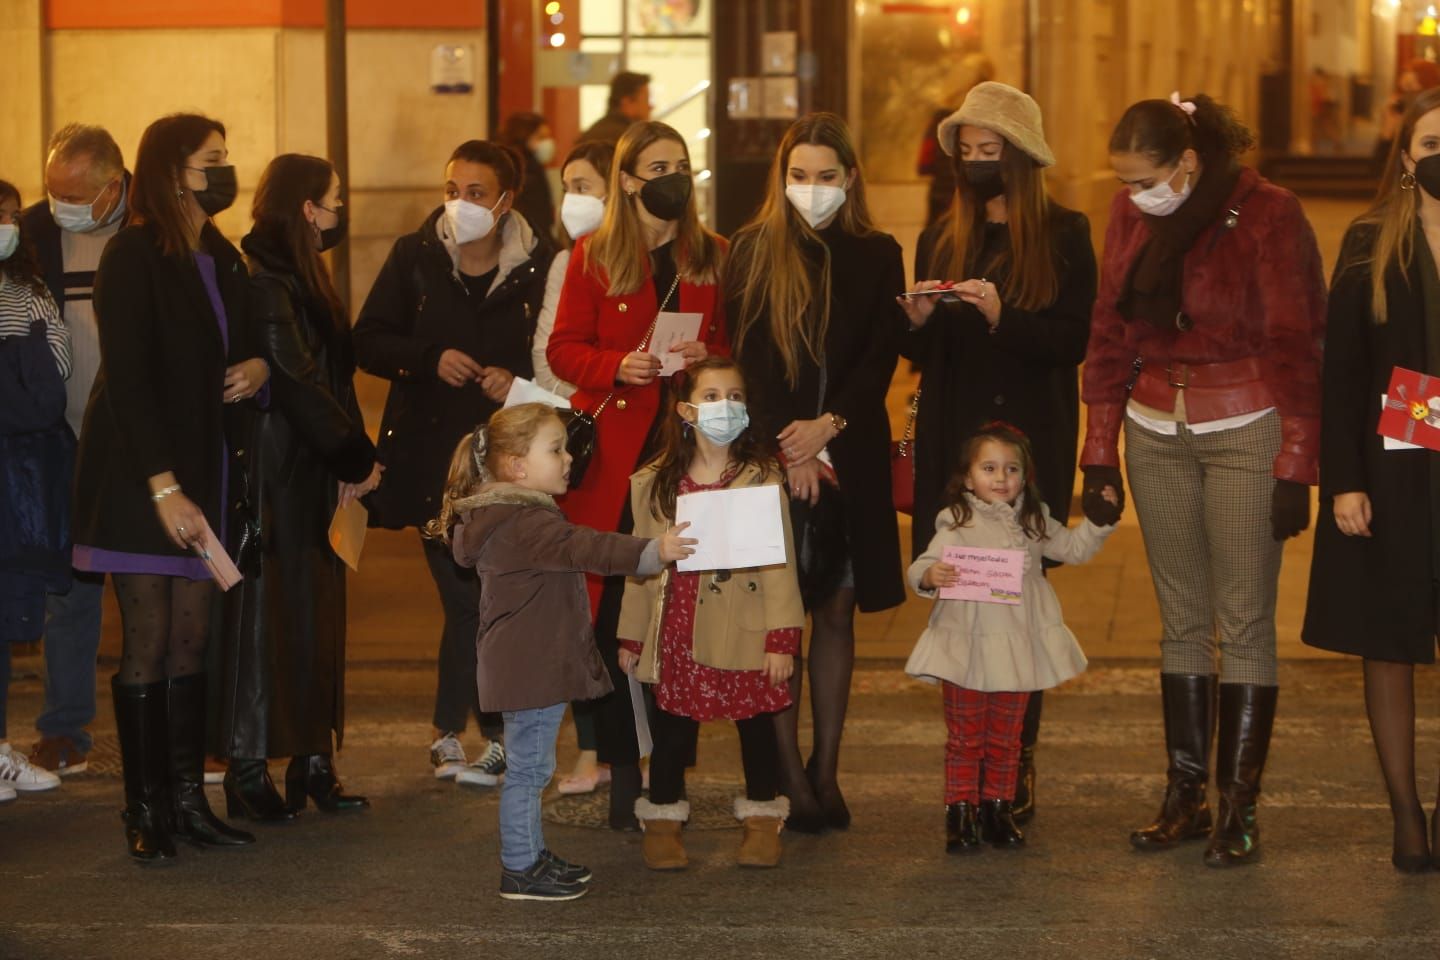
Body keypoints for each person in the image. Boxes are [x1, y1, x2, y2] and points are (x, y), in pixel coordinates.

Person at [1082, 93, 1325, 867]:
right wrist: (1098, 451)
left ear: (1188, 163)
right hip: (1157, 429)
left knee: (1245, 620)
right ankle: (1184, 795)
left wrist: (1297, 463)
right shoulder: (1130, 216)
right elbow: (1109, 331)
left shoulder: (1268, 214)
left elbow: (1299, 338)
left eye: (1143, 179)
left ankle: (1239, 809)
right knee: (1182, 618)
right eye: (1122, 182)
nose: (1132, 195)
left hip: (1245, 427)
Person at [72, 112, 270, 862]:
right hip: (140, 476)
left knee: (195, 638)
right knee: (149, 642)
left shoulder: (219, 253)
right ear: (169, 169)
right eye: (210, 160)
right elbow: (127, 380)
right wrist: (163, 487)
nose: (223, 172)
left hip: (204, 467)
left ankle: (189, 801)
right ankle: (144, 808)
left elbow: (243, 346)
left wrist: (256, 371)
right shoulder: (132, 255)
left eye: (225, 156)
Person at [898, 82, 1097, 825]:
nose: (977, 165)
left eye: (991, 152)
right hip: (955, 438)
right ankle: (968, 773)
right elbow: (923, 353)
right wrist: (916, 322)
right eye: (967, 153)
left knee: (1016, 606)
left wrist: (1001, 317)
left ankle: (1015, 766)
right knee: (963, 604)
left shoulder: (1067, 233)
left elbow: (1072, 342)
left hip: (1025, 445)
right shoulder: (943, 233)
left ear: (1022, 158)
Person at [437, 402, 695, 901]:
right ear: (517, 467)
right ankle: (519, 868)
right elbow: (588, 547)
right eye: (555, 449)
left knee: (531, 769)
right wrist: (652, 552)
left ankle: (530, 854)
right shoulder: (526, 522)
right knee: (529, 772)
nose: (569, 457)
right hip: (531, 670)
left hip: (529, 667)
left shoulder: (509, 516)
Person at [354, 139, 552, 789]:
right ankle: (464, 732)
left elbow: (556, 356)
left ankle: (470, 732)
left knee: (488, 599)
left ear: (505, 201)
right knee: (466, 597)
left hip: (508, 466)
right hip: (431, 468)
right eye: (451, 190)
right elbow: (369, 340)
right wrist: (426, 356)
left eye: (475, 193)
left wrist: (514, 379)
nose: (460, 205)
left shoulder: (540, 264)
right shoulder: (416, 256)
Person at [547, 120, 728, 829]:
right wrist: (615, 366)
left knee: (676, 621)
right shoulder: (594, 256)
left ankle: (670, 775)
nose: (674, 177)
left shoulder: (711, 256)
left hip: (684, 460)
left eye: (682, 165)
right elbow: (564, 349)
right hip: (612, 466)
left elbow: (730, 344)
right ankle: (625, 768)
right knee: (605, 625)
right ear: (628, 180)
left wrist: (704, 361)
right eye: (658, 166)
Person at [728, 112, 906, 832]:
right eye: (799, 176)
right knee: (779, 618)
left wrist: (829, 428)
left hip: (851, 446)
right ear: (782, 178)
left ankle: (828, 771)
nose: (812, 188)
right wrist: (785, 447)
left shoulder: (877, 251)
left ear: (850, 179)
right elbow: (748, 358)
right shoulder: (750, 249)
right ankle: (791, 780)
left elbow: (880, 354)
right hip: (775, 459)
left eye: (826, 176)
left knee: (836, 609)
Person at [216, 154, 382, 821]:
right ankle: (249, 765)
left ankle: (315, 760)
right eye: (335, 201)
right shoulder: (265, 277)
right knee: (270, 617)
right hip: (280, 470)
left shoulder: (300, 272)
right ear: (307, 209)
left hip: (311, 465)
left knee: (317, 613)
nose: (342, 213)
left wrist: (343, 459)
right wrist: (355, 456)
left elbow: (320, 376)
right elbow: (300, 378)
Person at [1302, 88, 1440, 873]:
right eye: (1428, 144)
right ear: (1406, 157)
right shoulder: (1368, 241)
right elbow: (1346, 375)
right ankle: (1405, 813)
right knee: (1389, 641)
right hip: (1392, 473)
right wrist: (1342, 482)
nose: (1438, 156)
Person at [616, 357, 802, 869]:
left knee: (756, 726)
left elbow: (779, 561)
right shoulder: (654, 483)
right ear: (686, 410)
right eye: (713, 396)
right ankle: (662, 820)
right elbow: (639, 562)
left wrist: (781, 639)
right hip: (677, 625)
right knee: (673, 729)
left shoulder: (762, 477)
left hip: (745, 626)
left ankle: (763, 819)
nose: (726, 406)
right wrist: (632, 636)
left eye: (736, 396)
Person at [908, 423, 1116, 853]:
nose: (1001, 478)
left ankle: (997, 810)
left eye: (1011, 469)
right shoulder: (956, 522)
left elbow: (1073, 549)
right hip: (966, 648)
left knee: (1008, 737)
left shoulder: (1034, 523)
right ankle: (960, 814)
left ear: (1025, 476)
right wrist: (930, 575)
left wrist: (1099, 522)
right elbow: (921, 565)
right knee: (966, 738)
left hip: (1018, 648)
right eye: (989, 468)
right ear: (968, 478)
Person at [21, 124, 129, 778]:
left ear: (112, 185)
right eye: (51, 190)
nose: (57, 204)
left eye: (72, 194)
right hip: (60, 442)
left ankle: (181, 727)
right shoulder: (34, 233)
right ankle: (65, 727)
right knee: (69, 592)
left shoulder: (150, 228)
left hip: (139, 442)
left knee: (157, 593)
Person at [532, 139, 615, 794]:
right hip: (575, 451)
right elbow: (548, 355)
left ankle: (634, 747)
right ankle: (594, 747)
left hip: (630, 446)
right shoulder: (570, 260)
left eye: (586, 184)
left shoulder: (647, 259)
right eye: (567, 184)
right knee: (580, 601)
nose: (574, 200)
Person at [0, 179, 69, 800]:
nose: (10, 226)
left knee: (4, 612)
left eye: (12, 215)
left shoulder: (30, 290)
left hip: (18, 475)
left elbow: (55, 383)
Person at [498, 112, 557, 240]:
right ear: (524, 136)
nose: (547, 143)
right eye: (541, 137)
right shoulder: (526, 172)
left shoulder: (529, 167)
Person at [1377, 60, 1440, 173]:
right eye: (1403, 91)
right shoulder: (1397, 112)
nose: (1407, 98)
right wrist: (1387, 133)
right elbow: (1380, 167)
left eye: (1414, 91)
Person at [580, 71, 652, 146]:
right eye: (646, 99)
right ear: (627, 102)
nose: (651, 107)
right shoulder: (629, 139)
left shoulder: (592, 132)